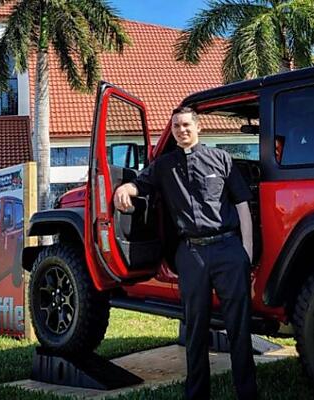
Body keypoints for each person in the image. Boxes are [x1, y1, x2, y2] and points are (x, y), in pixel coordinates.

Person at [113, 107, 257, 400]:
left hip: (229, 250)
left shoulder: (221, 159)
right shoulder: (164, 165)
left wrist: (246, 252)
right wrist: (125, 188)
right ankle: (196, 394)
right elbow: (141, 183)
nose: (181, 130)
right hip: (192, 254)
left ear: (198, 127)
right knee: (195, 329)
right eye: (176, 126)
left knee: (239, 328)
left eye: (186, 124)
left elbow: (242, 204)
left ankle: (247, 393)